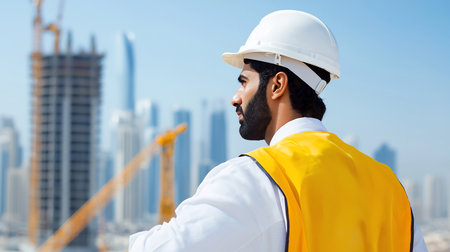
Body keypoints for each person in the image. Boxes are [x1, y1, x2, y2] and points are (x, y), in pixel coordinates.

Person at [129, 10, 428, 251]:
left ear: (277, 85)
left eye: (244, 81)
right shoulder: (391, 189)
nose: (235, 97)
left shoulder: (255, 178)